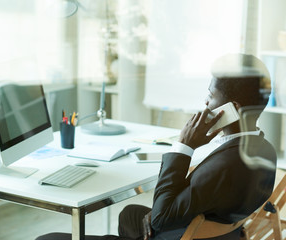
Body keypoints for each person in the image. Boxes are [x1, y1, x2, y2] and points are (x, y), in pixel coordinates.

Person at [35, 53, 277, 240]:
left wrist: (183, 146)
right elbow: (201, 196)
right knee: (130, 214)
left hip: (177, 234)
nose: (205, 101)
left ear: (232, 108)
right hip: (217, 231)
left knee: (46, 238)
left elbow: (161, 219)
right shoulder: (265, 150)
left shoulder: (225, 166)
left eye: (211, 95)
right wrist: (169, 209)